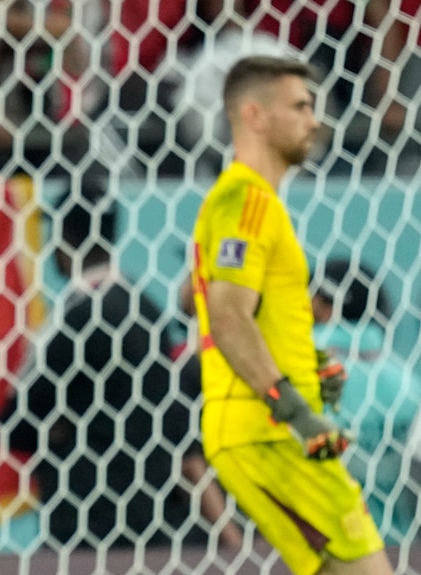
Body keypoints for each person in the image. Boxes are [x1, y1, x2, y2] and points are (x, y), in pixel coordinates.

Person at [190, 55, 394, 574]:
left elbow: (252, 316)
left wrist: (309, 365)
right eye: (301, 106)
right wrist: (295, 407)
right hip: (270, 433)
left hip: (262, 429)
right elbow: (229, 317)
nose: (315, 119)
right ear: (255, 116)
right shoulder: (245, 201)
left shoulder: (254, 203)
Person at [1, 183, 242, 550]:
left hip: (82, 519)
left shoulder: (74, 317)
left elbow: (16, 421)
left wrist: (61, 425)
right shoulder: (147, 310)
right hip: (150, 519)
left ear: (64, 237)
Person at [311, 258, 421, 545]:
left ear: (323, 306)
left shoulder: (298, 374)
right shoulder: (407, 383)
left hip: (322, 545)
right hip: (401, 546)